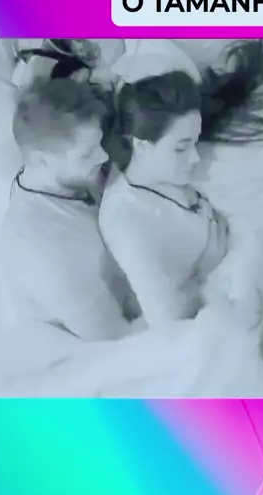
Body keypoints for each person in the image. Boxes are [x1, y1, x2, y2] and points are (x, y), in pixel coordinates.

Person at [0, 77, 133, 341]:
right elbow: (113, 336)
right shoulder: (42, 248)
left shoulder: (69, 175)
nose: (103, 156)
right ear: (42, 160)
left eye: (99, 143)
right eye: (86, 154)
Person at [99, 69, 231, 327]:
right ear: (141, 146)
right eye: (181, 148)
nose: (194, 157)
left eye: (195, 142)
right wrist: (211, 271)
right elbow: (166, 317)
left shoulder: (163, 174)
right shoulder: (128, 220)